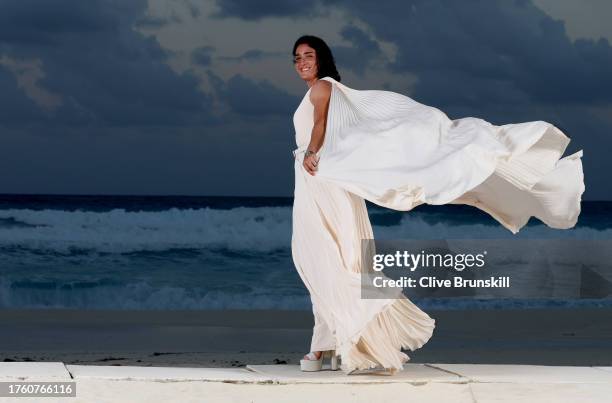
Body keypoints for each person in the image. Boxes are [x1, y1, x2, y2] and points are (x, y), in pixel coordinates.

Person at [290, 35, 584, 375]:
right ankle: (328, 345)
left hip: (321, 181)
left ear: (322, 59)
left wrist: (311, 152)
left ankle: (333, 341)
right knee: (328, 261)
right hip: (323, 181)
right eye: (296, 57)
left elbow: (321, 125)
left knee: (321, 260)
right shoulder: (331, 92)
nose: (301, 62)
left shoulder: (322, 90)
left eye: (308, 55)